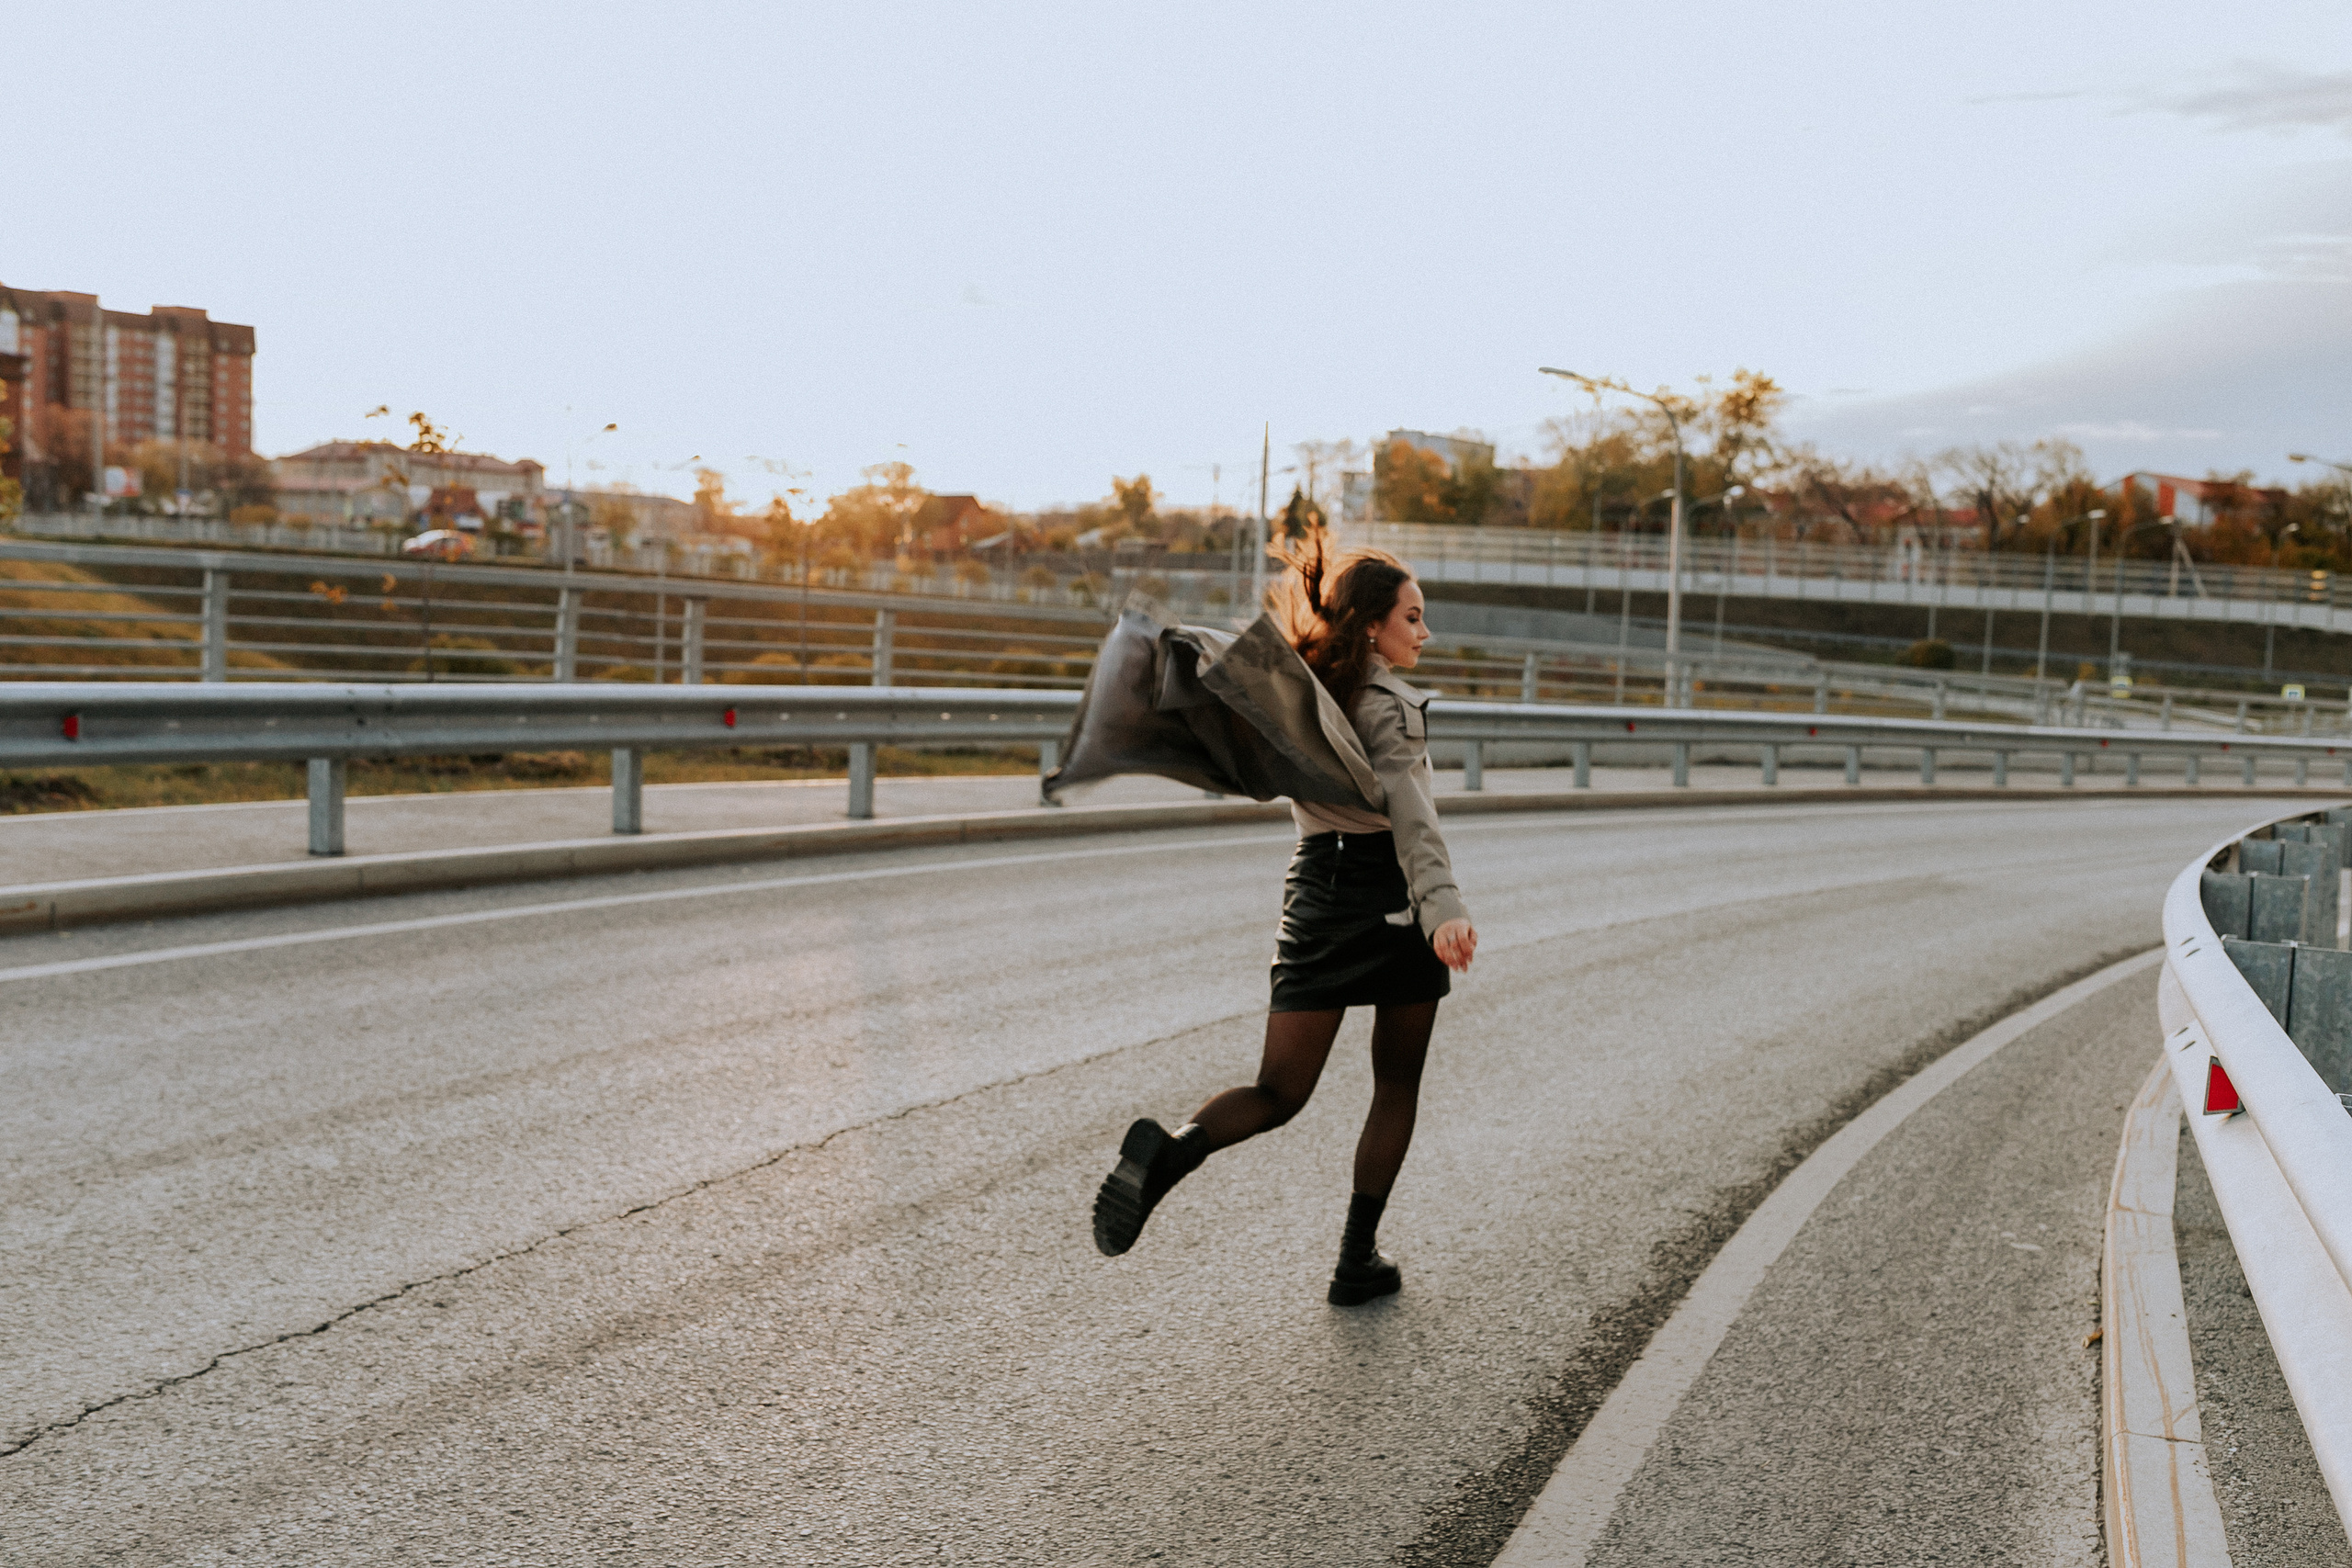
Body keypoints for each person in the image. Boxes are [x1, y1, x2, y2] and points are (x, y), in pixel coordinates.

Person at [1089, 530, 1476, 1306]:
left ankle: (1173, 1150)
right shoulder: (1388, 707)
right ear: (1372, 624)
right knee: (1395, 1084)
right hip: (1389, 895)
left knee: (1277, 1089)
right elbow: (1413, 819)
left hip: (1314, 890)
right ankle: (1355, 1260)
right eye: (1412, 617)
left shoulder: (1297, 689)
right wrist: (1443, 908)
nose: (1424, 633)